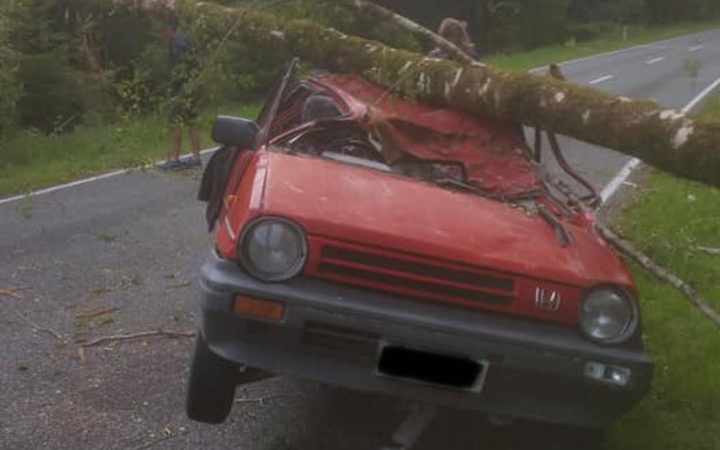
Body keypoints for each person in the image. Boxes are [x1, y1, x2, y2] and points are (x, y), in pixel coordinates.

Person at [158, 16, 202, 170]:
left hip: (182, 88)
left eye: (165, 31)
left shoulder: (178, 44)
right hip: (192, 86)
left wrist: (175, 86)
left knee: (176, 121)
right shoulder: (187, 40)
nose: (164, 35)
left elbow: (179, 69)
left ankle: (175, 157)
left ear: (171, 29)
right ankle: (196, 156)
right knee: (192, 121)